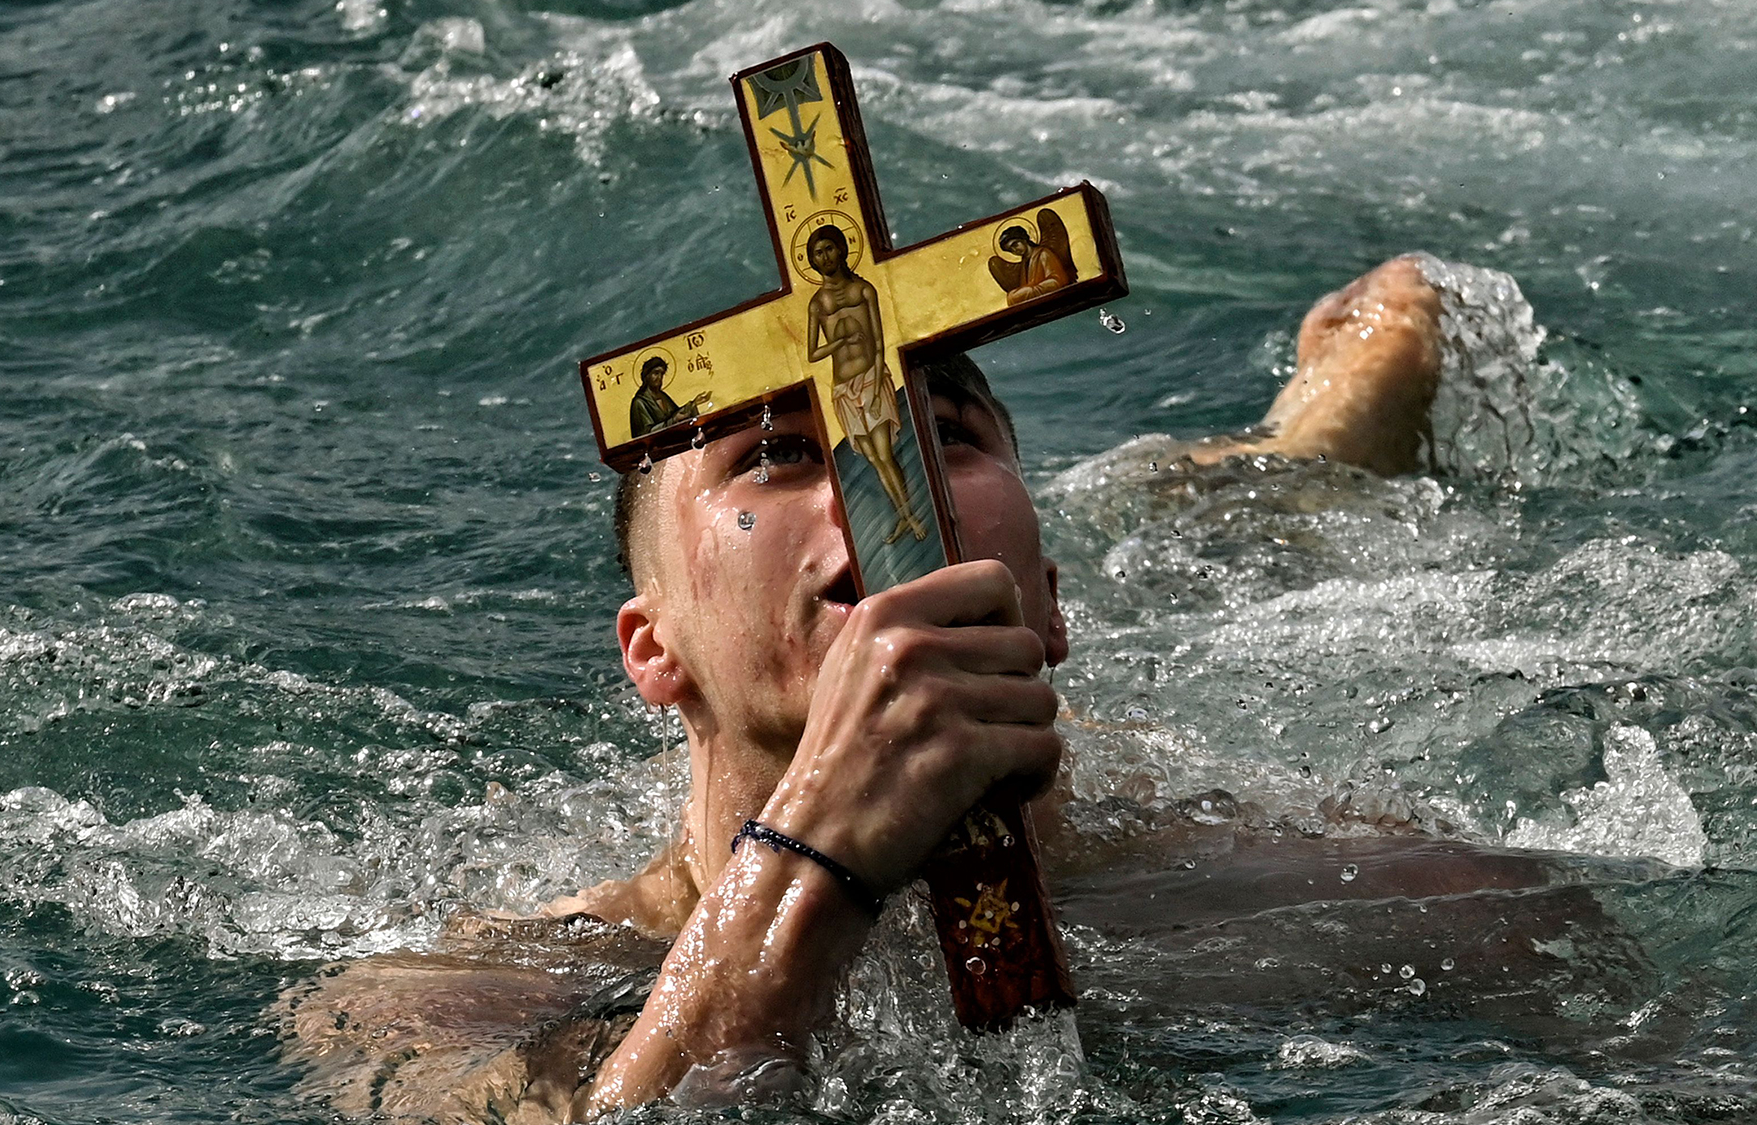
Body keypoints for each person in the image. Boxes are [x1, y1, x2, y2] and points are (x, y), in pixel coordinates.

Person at [284, 255, 1551, 1121]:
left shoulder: (1370, 885)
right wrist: (814, 857)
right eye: (776, 455)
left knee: (1320, 456)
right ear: (650, 649)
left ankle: (1335, 416)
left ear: (1044, 600)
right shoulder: (459, 998)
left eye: (943, 437)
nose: (888, 492)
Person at [804, 224, 928, 544]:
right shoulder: (817, 303)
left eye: (829, 248)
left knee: (886, 454)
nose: (825, 257)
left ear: (842, 249)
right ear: (812, 261)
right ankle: (903, 515)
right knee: (874, 459)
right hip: (842, 389)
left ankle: (911, 514)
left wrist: (875, 389)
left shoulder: (863, 289)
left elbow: (879, 342)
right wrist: (840, 341)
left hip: (871, 379)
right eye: (818, 253)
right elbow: (813, 352)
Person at [628, 356, 710, 438]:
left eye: (662, 374)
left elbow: (676, 413)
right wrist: (673, 421)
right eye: (656, 373)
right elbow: (646, 433)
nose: (659, 378)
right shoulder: (639, 402)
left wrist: (693, 403)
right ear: (646, 376)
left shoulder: (662, 396)